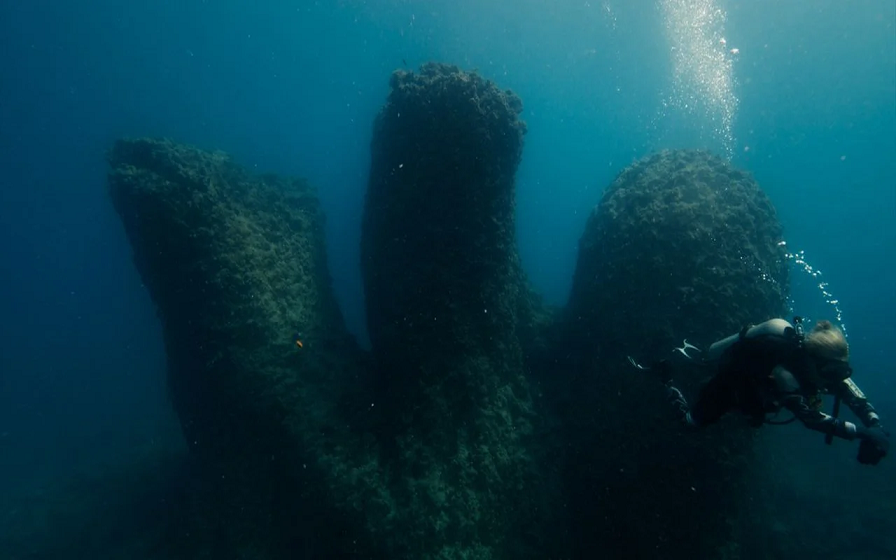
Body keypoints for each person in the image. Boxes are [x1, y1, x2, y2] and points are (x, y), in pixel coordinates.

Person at [651, 317, 889, 465]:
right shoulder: (786, 371)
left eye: (841, 371)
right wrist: (860, 433)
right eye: (832, 372)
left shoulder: (824, 367)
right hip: (732, 384)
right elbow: (809, 417)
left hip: (758, 390)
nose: (836, 380)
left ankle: (688, 367)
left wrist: (874, 424)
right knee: (690, 423)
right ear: (813, 361)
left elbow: (851, 393)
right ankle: (666, 381)